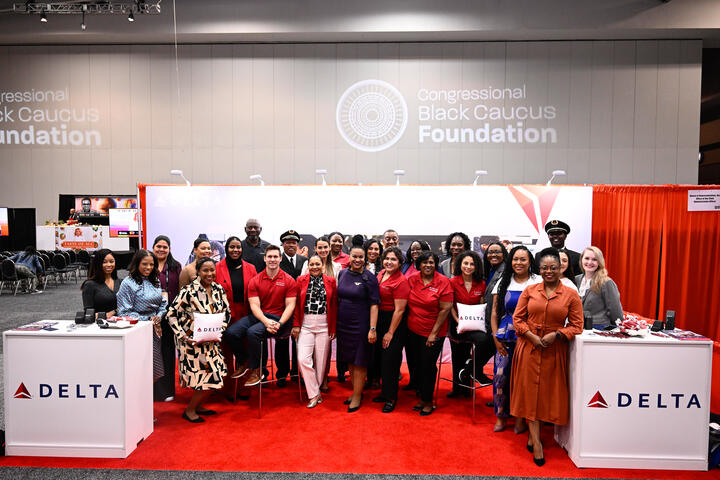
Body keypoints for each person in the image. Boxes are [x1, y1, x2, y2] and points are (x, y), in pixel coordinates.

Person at [511, 248, 583, 466]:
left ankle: (534, 436)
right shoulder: (530, 290)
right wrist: (531, 336)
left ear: (561, 268)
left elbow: (577, 326)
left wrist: (558, 334)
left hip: (554, 350)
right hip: (528, 347)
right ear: (539, 269)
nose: (549, 271)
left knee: (544, 396)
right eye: (544, 268)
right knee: (529, 394)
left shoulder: (571, 295)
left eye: (553, 267)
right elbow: (517, 319)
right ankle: (537, 443)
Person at [167, 257, 230, 423]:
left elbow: (227, 313)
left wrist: (220, 329)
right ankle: (189, 411)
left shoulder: (218, 289)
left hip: (212, 342)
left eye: (212, 270)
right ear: (198, 272)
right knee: (204, 379)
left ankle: (199, 406)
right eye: (205, 270)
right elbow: (171, 314)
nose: (210, 274)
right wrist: (183, 336)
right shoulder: (188, 291)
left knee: (217, 375)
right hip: (192, 344)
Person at [224, 245, 298, 387]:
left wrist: (280, 323)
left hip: (280, 319)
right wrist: (265, 322)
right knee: (231, 333)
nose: (272, 259)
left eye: (275, 256)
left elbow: (290, 305)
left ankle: (257, 370)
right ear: (264, 259)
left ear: (280, 258)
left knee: (252, 332)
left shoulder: (289, 280)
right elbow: (254, 306)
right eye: (269, 256)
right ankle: (245, 361)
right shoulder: (256, 280)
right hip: (261, 317)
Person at [490, 245, 540, 433]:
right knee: (501, 377)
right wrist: (495, 338)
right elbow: (494, 313)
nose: (519, 263)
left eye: (523, 259)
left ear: (530, 262)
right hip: (505, 337)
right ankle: (501, 416)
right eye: (515, 259)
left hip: (530, 337)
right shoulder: (503, 281)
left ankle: (520, 419)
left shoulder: (538, 281)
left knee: (522, 380)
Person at [406, 250, 453, 416]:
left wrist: (433, 334)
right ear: (419, 264)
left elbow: (445, 309)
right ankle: (421, 395)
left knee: (427, 366)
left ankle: (428, 400)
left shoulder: (443, 282)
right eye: (424, 262)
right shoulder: (412, 279)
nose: (428, 265)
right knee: (417, 365)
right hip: (412, 331)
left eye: (431, 262)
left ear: (436, 264)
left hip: (433, 333)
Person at [336, 243, 380, 412]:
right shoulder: (343, 273)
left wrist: (372, 329)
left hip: (361, 325)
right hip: (343, 324)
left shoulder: (370, 278)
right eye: (354, 256)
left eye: (361, 257)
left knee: (360, 360)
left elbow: (374, 305)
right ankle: (357, 391)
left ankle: (356, 396)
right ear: (349, 257)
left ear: (365, 258)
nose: (357, 260)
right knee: (349, 359)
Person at [215, 236, 258, 397]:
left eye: (238, 247)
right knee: (226, 352)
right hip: (224, 315)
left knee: (244, 352)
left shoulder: (251, 268)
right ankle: (228, 389)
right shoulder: (217, 267)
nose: (235, 250)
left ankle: (243, 388)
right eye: (232, 247)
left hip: (246, 314)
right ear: (226, 249)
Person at [292, 254, 338, 408]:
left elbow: (334, 305)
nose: (315, 267)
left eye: (317, 264)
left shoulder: (331, 281)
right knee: (303, 359)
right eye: (312, 264)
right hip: (306, 324)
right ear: (308, 266)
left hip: (324, 324)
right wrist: (296, 324)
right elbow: (297, 304)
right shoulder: (300, 280)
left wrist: (333, 327)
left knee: (321, 362)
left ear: (322, 265)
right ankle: (314, 393)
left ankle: (314, 393)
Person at [116, 249, 168, 383]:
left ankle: (145, 400)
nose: (149, 268)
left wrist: (159, 316)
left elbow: (162, 303)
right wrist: (148, 319)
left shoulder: (155, 280)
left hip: (154, 331)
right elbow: (124, 312)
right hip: (136, 331)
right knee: (138, 369)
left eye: (152, 264)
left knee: (155, 371)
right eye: (145, 264)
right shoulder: (128, 283)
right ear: (137, 264)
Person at [447, 251, 493, 398]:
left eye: (472, 264)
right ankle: (457, 388)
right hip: (456, 326)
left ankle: (469, 372)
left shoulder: (481, 283)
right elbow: (450, 306)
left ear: (476, 266)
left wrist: (483, 324)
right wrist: (457, 321)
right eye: (465, 263)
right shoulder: (452, 282)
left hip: (474, 326)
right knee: (457, 355)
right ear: (460, 265)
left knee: (486, 340)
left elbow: (481, 305)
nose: (468, 266)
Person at [370, 247, 409, 413]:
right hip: (379, 319)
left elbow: (399, 310)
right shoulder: (380, 274)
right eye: (387, 259)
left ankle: (391, 398)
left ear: (400, 263)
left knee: (390, 361)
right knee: (380, 359)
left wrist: (390, 332)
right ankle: (385, 393)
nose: (389, 262)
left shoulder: (401, 281)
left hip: (393, 323)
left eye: (393, 259)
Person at [152, 235, 183, 402]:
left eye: (165, 247)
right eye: (159, 246)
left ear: (169, 249)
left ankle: (167, 391)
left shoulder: (176, 266)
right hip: (151, 316)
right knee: (153, 353)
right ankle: (152, 391)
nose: (161, 249)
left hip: (170, 315)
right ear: (153, 247)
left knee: (168, 352)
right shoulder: (148, 263)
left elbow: (180, 289)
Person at [276, 230, 307, 386]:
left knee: (299, 341)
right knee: (281, 341)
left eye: (293, 242)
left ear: (297, 244)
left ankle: (296, 372)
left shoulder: (304, 261)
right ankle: (281, 374)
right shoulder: (277, 261)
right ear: (283, 244)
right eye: (287, 242)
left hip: (300, 307)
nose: (290, 245)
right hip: (281, 307)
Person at [575, 246, 623, 328]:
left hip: (600, 328)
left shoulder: (606, 282)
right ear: (581, 260)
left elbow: (615, 311)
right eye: (587, 258)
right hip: (579, 327)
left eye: (594, 259)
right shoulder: (577, 279)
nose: (590, 262)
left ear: (599, 262)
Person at [81, 248, 119, 317]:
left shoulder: (120, 282)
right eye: (104, 262)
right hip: (99, 324)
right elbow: (88, 314)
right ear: (98, 264)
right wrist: (107, 314)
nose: (109, 265)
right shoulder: (90, 285)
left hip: (121, 323)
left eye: (111, 261)